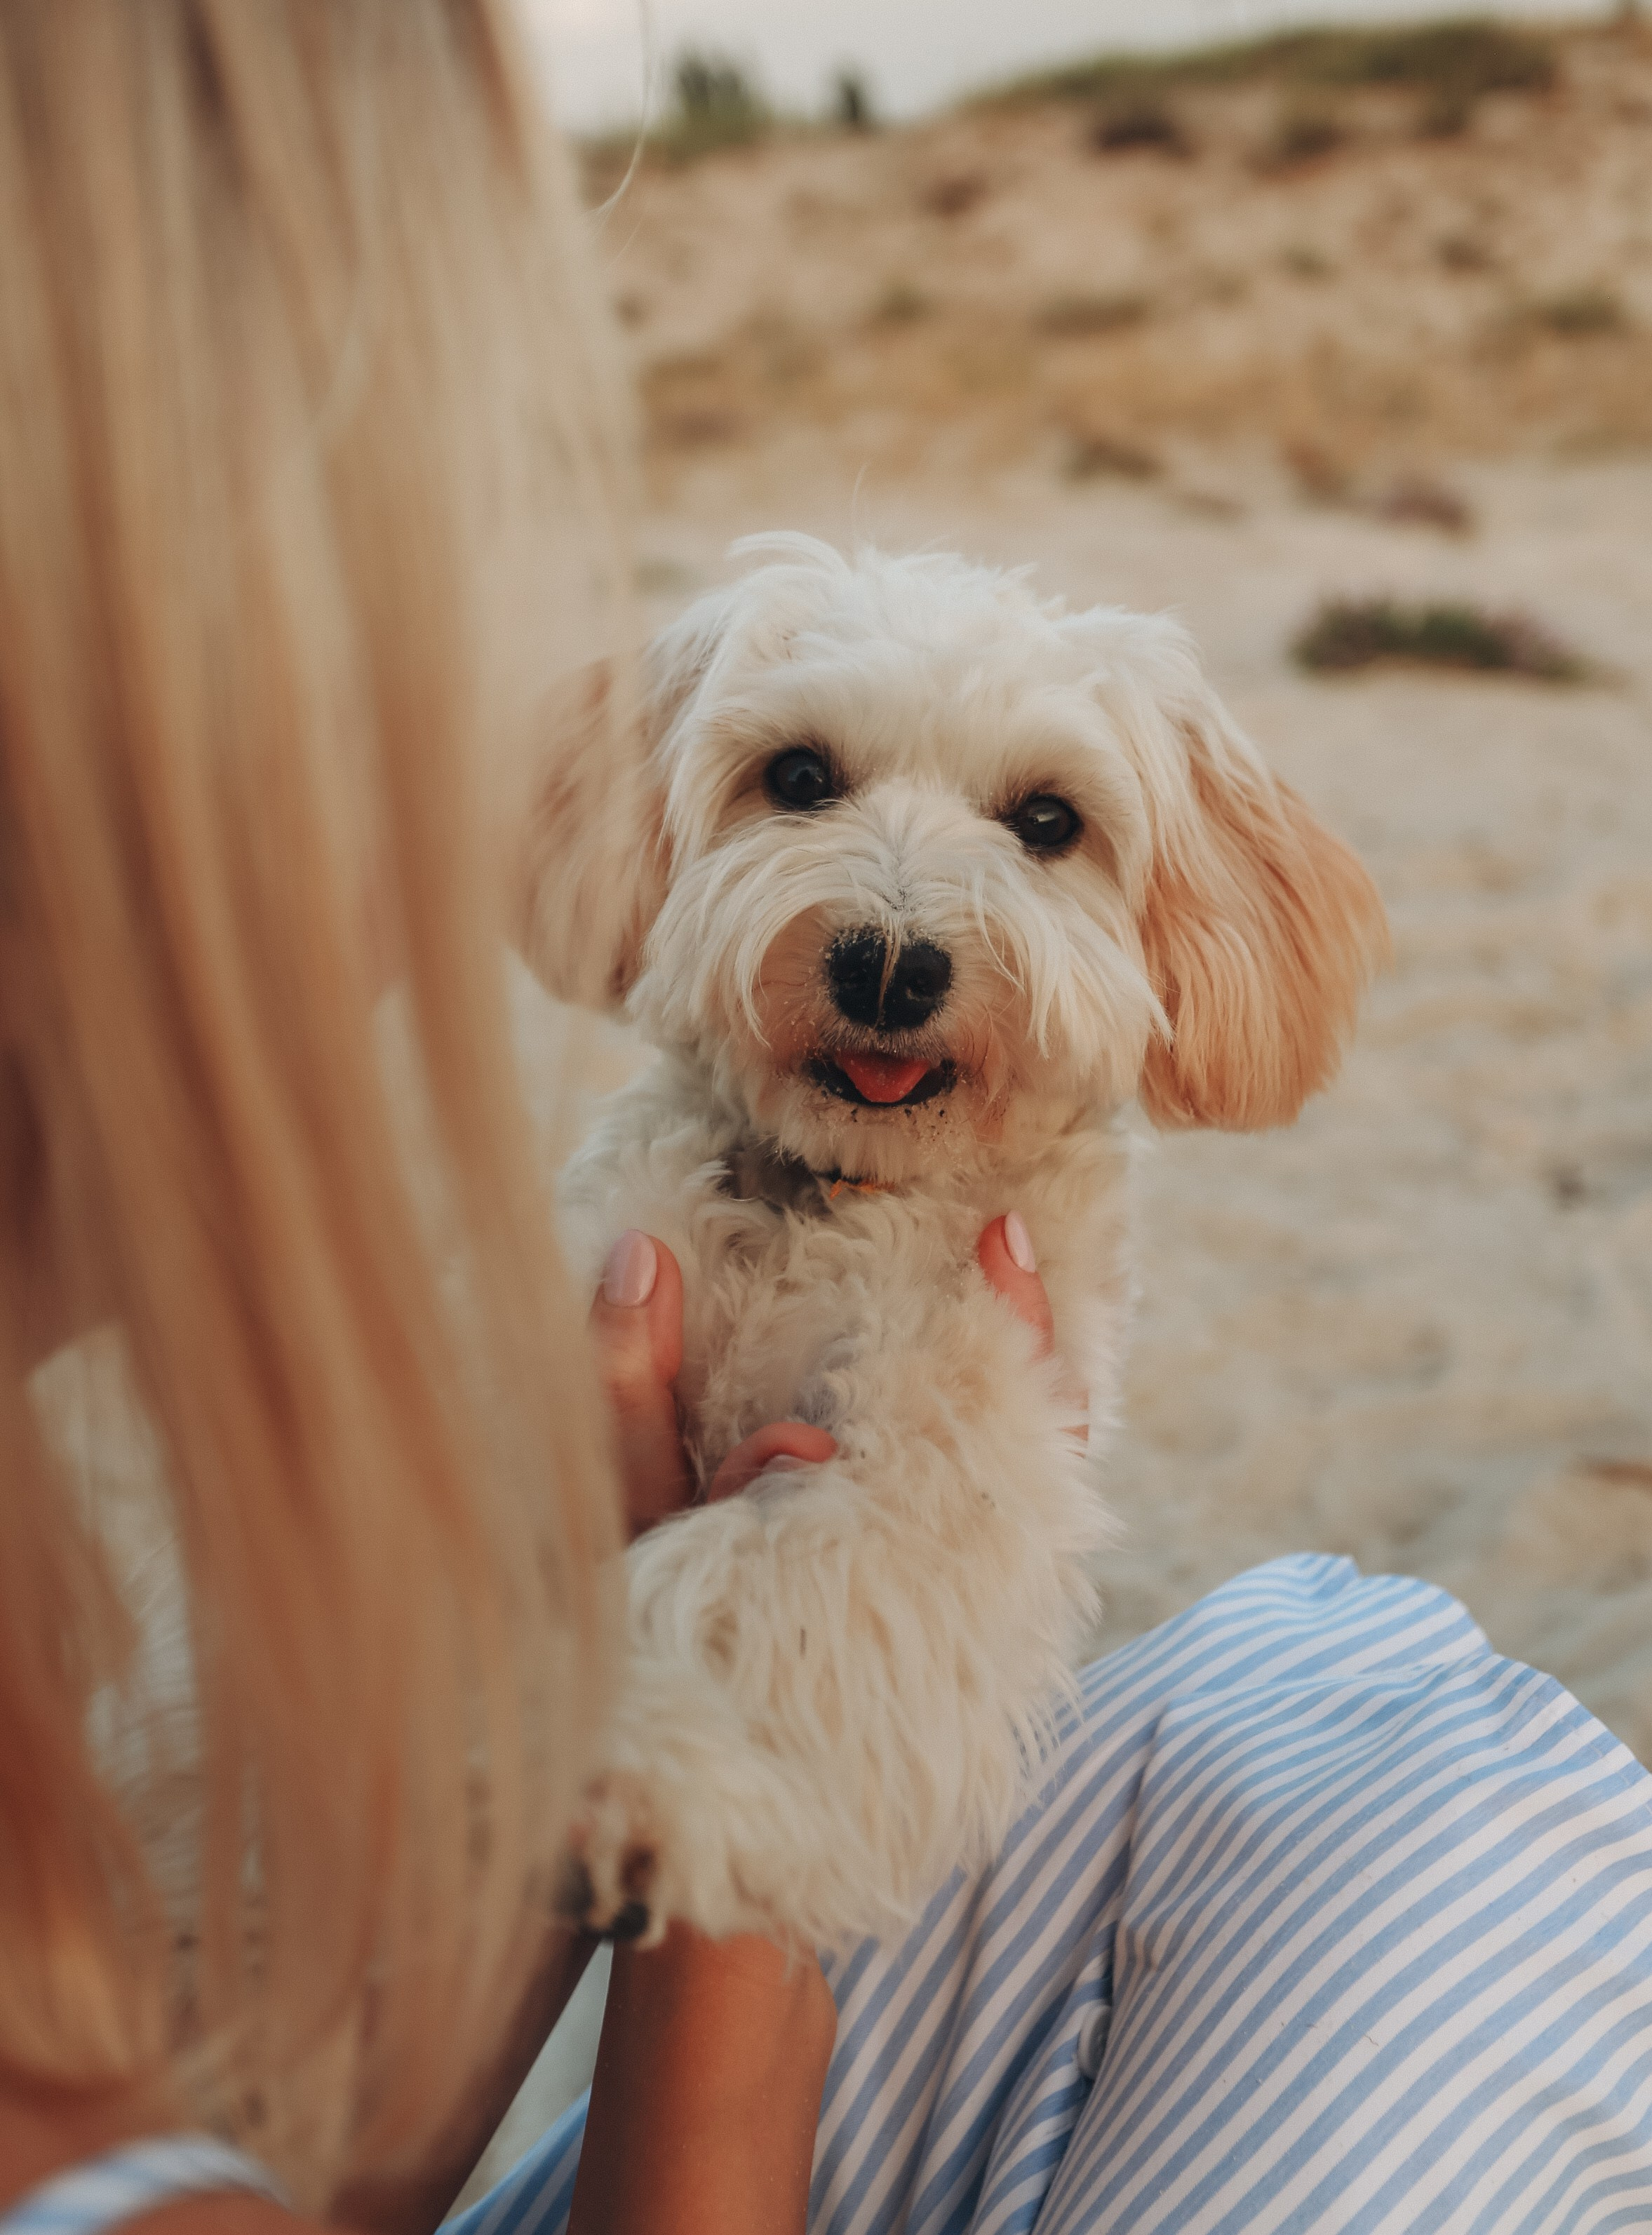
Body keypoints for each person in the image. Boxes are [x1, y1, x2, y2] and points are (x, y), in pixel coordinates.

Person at [4, 9, 1652, 2235]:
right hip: (378, 2089)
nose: (893, 930)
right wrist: (693, 1788)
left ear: (1163, 906)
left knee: (1369, 1684)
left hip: (332, 2109)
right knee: (1432, 1758)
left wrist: (630, 1589)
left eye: (1037, 821)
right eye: (798, 780)